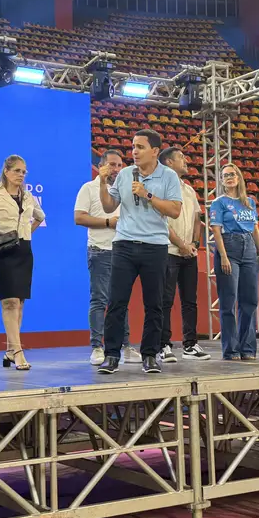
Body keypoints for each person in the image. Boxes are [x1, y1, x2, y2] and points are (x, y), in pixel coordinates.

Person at [96, 129, 183, 375]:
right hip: (124, 244)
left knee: (154, 304)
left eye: (140, 147)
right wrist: (102, 183)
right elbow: (108, 206)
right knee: (116, 302)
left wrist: (147, 194)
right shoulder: (125, 174)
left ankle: (150, 355)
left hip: (155, 246)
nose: (134, 151)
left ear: (155, 151)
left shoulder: (168, 176)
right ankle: (111, 355)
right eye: (133, 146)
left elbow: (175, 210)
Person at [73, 149, 141, 366]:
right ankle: (97, 347)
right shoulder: (89, 188)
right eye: (112, 165)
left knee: (121, 301)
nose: (116, 169)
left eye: (120, 165)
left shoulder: (125, 189)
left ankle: (125, 346)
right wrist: (107, 222)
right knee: (99, 300)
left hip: (123, 251)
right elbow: (79, 217)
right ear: (101, 166)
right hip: (100, 251)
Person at [0, 155, 45, 370]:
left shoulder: (28, 197)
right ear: (6, 172)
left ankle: (10, 350)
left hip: (24, 252)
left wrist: (25, 233)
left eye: (24, 172)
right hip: (2, 252)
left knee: (20, 303)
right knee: (10, 302)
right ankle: (18, 352)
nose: (21, 175)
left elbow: (40, 216)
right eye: (17, 170)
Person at [210, 163, 259, 360]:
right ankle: (231, 349)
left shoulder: (249, 202)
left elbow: (255, 228)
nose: (229, 177)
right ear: (221, 180)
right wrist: (223, 256)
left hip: (249, 247)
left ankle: (248, 348)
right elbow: (216, 230)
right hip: (229, 245)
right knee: (229, 300)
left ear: (239, 177)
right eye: (225, 175)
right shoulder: (219, 202)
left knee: (250, 299)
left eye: (232, 174)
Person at [158, 147, 209, 361]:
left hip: (190, 253)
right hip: (169, 251)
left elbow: (197, 219)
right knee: (165, 300)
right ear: (169, 163)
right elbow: (161, 222)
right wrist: (181, 244)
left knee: (190, 301)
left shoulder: (188, 190)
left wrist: (194, 244)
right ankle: (163, 345)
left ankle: (190, 344)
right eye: (181, 157)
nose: (186, 160)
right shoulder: (160, 187)